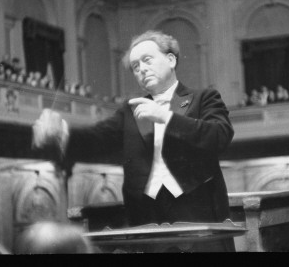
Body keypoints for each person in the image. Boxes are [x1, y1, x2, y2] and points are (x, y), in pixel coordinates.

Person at [32, 30, 235, 252]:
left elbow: (220, 135)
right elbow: (97, 138)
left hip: (200, 220)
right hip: (147, 223)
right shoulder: (131, 110)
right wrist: (62, 133)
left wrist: (166, 117)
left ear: (170, 59)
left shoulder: (204, 98)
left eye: (147, 60)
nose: (141, 69)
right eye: (136, 67)